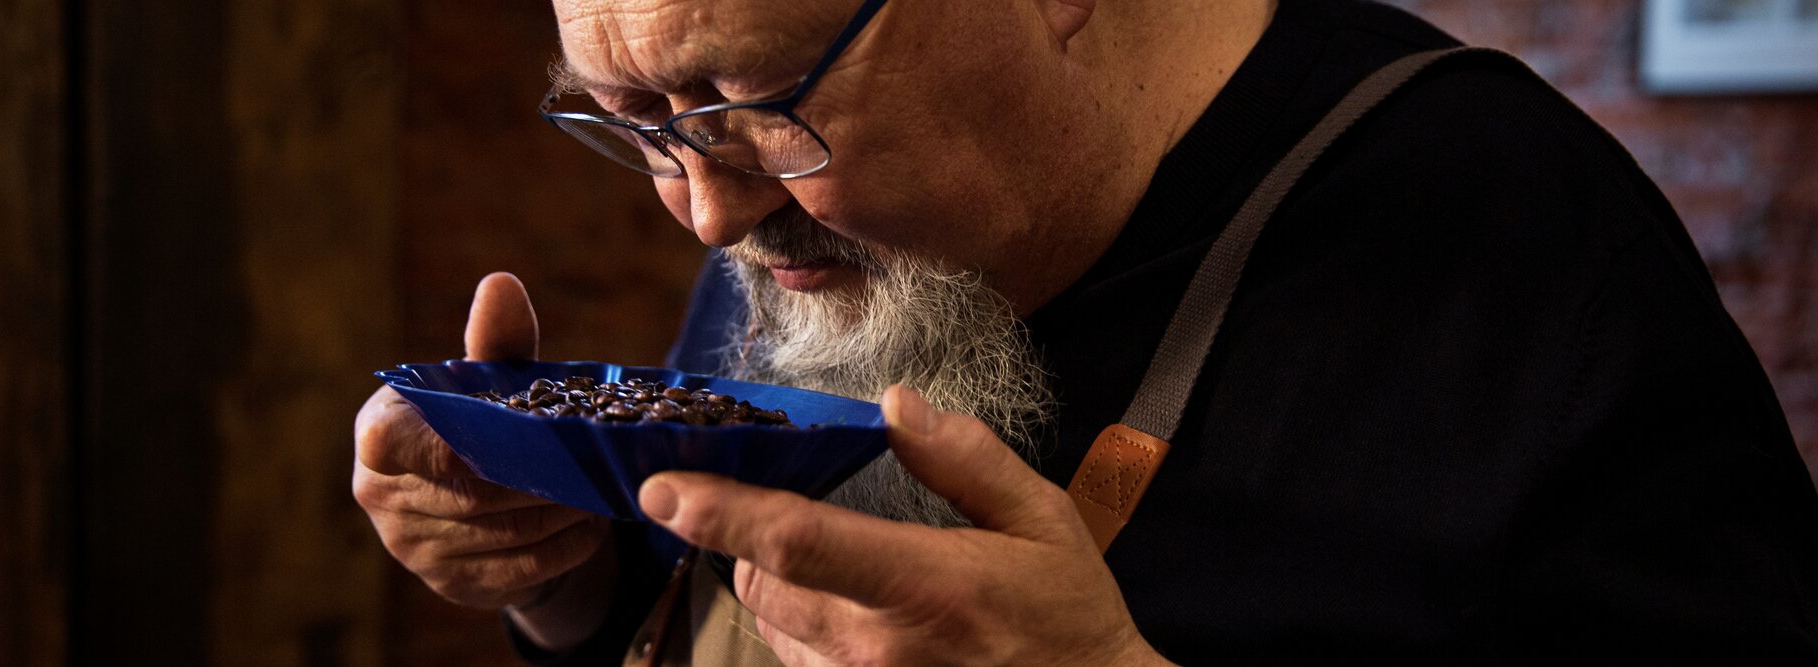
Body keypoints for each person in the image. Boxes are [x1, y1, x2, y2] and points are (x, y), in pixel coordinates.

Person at [354, 0, 1818, 664]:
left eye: (759, 106)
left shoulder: (1513, 236)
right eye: (639, 127)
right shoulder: (799, 235)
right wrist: (570, 575)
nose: (707, 217)